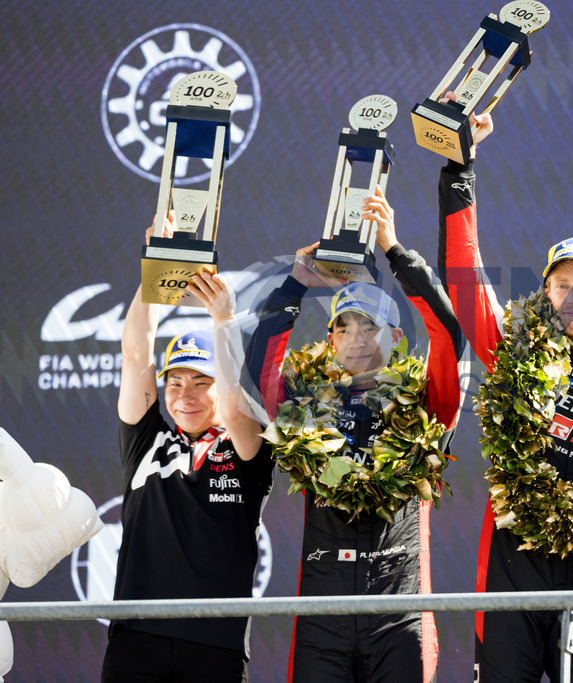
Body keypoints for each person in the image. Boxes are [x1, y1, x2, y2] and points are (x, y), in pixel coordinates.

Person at [439, 115, 573, 681]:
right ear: (545, 291)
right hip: (513, 559)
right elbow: (465, 278)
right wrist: (461, 170)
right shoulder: (515, 348)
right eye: (561, 283)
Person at [243, 186, 468, 681]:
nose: (356, 340)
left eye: (371, 327)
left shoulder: (427, 404)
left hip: (401, 614)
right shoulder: (303, 408)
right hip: (322, 618)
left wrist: (394, 250)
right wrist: (296, 283)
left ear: (397, 336)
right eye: (343, 328)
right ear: (329, 340)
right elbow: (259, 374)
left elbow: (450, 336)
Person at [101, 214, 274, 682]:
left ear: (221, 389)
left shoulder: (245, 445)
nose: (185, 395)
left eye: (201, 382)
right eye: (175, 382)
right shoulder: (147, 438)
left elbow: (239, 411)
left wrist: (224, 321)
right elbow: (137, 352)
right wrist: (157, 267)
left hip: (215, 642)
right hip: (137, 636)